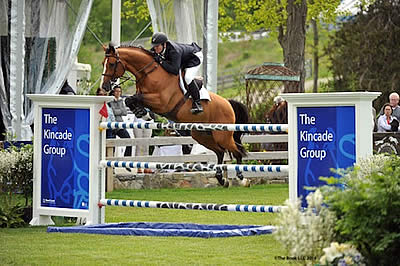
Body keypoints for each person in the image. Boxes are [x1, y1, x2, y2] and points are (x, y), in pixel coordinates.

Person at [150, 32, 203, 114]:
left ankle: (197, 103)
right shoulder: (157, 48)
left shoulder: (174, 52)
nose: (155, 49)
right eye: (154, 46)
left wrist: (160, 61)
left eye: (157, 46)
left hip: (194, 57)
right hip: (183, 58)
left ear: (164, 45)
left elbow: (174, 70)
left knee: (188, 77)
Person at [106, 86, 132, 157]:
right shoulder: (110, 100)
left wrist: (118, 111)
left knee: (129, 140)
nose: (118, 93)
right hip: (112, 125)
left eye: (119, 91)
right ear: (113, 92)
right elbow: (113, 112)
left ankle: (127, 159)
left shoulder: (121, 100)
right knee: (112, 145)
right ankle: (111, 164)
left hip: (120, 125)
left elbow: (125, 112)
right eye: (116, 91)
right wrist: (120, 110)